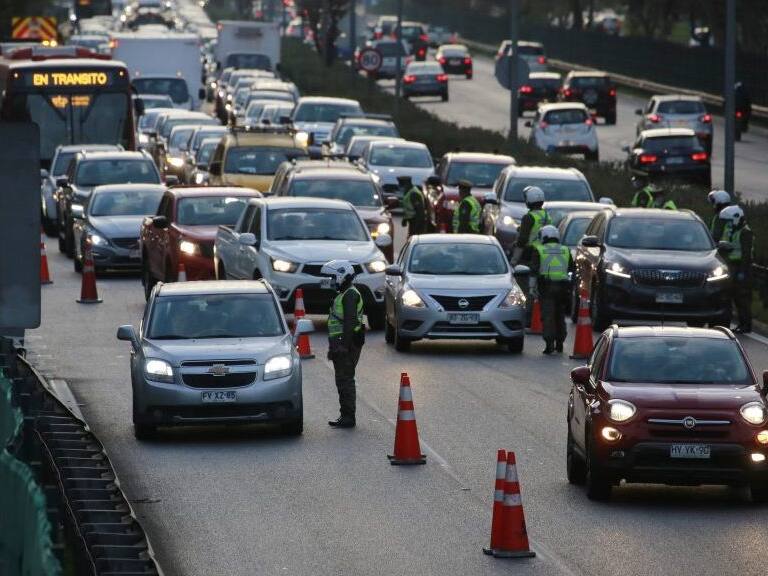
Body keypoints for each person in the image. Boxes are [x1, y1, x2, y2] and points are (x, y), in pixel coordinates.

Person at [321, 259, 366, 428]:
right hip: (341, 343)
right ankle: (345, 414)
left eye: (333, 278)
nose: (331, 281)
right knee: (342, 379)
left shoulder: (350, 295)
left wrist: (343, 346)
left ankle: (348, 417)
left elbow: (350, 321)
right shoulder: (344, 294)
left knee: (345, 380)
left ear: (342, 276)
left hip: (346, 343)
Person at [529, 225, 574, 354]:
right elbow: (571, 269)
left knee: (548, 315)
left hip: (546, 287)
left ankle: (549, 344)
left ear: (544, 236)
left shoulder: (539, 250)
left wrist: (532, 288)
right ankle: (560, 342)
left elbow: (534, 270)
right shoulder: (565, 250)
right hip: (563, 288)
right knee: (560, 315)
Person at [719, 205, 753, 334]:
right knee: (733, 297)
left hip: (742, 266)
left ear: (736, 218)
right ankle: (740, 323)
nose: (727, 223)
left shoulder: (745, 232)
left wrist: (742, 272)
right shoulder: (730, 228)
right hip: (731, 266)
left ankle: (746, 325)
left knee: (742, 298)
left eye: (728, 220)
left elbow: (746, 253)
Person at [511, 185, 551, 266]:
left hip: (530, 253)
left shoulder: (528, 217)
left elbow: (522, 240)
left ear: (529, 200)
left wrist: (514, 261)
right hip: (544, 252)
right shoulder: (547, 215)